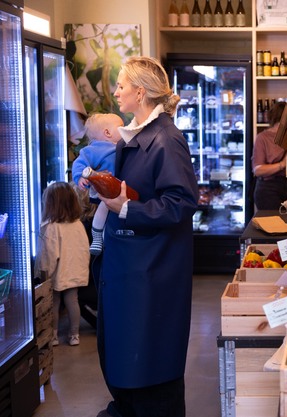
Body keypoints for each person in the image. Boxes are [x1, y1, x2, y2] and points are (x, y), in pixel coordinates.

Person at [93, 56, 199, 417]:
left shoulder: (166, 140)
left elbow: (182, 202)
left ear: (140, 93)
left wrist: (126, 208)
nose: (116, 92)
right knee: (128, 362)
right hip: (132, 268)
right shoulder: (137, 136)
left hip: (151, 272)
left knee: (149, 368)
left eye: (121, 85)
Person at [35, 182, 90, 347]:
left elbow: (49, 255)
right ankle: (74, 335)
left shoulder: (52, 227)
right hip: (75, 270)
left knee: (54, 302)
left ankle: (53, 335)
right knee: (73, 301)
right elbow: (84, 249)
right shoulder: (78, 224)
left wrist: (43, 273)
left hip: (57, 272)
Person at [72, 113, 124, 256]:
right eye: (121, 126)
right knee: (104, 207)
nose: (125, 128)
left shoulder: (121, 145)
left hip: (116, 186)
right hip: (103, 187)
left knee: (111, 212)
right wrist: (80, 177)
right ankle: (97, 236)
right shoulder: (94, 149)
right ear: (107, 132)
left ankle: (105, 236)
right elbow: (79, 163)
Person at [251, 100, 287, 210]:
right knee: (272, 219)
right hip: (269, 190)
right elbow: (258, 170)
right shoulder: (262, 138)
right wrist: (283, 164)